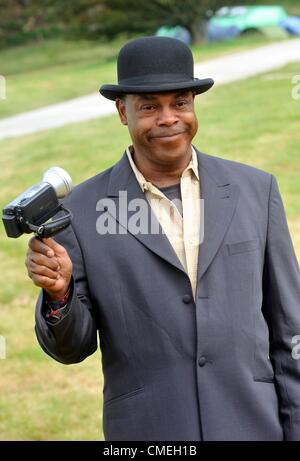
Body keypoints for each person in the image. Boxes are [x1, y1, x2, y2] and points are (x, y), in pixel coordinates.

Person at [26, 36, 300, 441]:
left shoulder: (256, 191)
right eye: (150, 106)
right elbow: (71, 349)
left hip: (252, 425)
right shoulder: (80, 212)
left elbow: (289, 329)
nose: (169, 118)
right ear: (123, 112)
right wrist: (59, 294)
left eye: (181, 103)